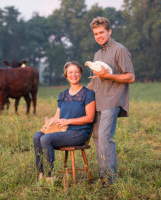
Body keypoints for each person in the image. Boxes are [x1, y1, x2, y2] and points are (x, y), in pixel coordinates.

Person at [87, 16, 135, 185]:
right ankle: (103, 177)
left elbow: (130, 77)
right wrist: (79, 94)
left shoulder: (119, 49)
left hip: (112, 100)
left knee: (105, 137)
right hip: (98, 101)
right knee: (97, 138)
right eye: (95, 34)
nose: (99, 36)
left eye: (101, 32)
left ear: (109, 31)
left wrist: (108, 76)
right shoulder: (97, 54)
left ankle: (109, 180)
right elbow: (95, 80)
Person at [33, 61, 96, 181]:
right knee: (37, 136)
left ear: (81, 74)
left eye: (76, 72)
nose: (74, 75)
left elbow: (90, 118)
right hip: (62, 131)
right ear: (66, 75)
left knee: (46, 139)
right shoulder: (63, 95)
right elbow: (57, 116)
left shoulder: (88, 94)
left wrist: (68, 121)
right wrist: (50, 123)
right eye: (70, 72)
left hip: (78, 133)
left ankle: (50, 176)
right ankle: (41, 174)